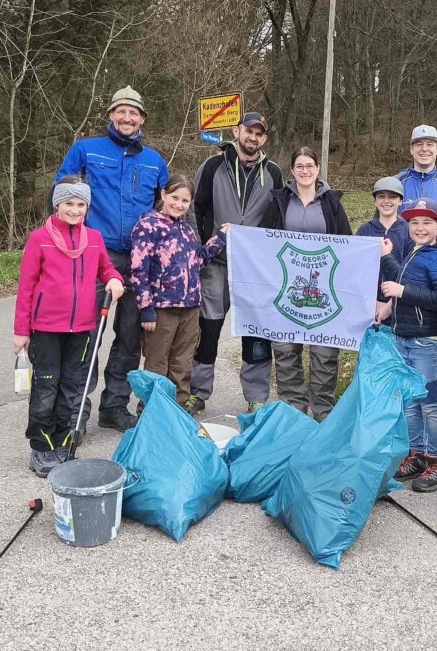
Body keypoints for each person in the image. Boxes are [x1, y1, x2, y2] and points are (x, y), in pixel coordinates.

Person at [54, 86, 169, 432]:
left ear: (142, 119)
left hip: (139, 261)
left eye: (134, 113)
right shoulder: (86, 150)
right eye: (121, 111)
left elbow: (167, 210)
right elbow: (60, 195)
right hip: (94, 256)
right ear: (111, 115)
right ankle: (75, 411)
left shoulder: (155, 161)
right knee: (86, 335)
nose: (127, 118)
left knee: (130, 337)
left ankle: (114, 406)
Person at [14, 178, 124, 477]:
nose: (75, 210)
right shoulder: (39, 239)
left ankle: (64, 443)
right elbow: (26, 288)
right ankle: (41, 446)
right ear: (57, 205)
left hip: (82, 328)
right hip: (46, 328)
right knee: (46, 387)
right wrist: (21, 331)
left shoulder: (94, 238)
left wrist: (114, 278)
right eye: (69, 203)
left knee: (72, 388)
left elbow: (105, 268)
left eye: (81, 204)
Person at [187, 112, 284, 416]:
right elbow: (195, 208)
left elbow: (278, 218)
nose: (252, 137)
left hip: (254, 268)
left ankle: (256, 396)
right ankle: (197, 392)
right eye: (248, 130)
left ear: (264, 139)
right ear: (236, 131)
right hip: (216, 262)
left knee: (255, 331)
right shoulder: (213, 166)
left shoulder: (273, 172)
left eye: (259, 133)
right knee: (208, 327)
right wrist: (201, 250)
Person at [259, 146, 351, 420]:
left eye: (309, 165)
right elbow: (260, 239)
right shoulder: (279, 201)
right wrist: (235, 234)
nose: (305, 170)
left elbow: (348, 244)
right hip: (285, 292)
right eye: (299, 166)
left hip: (324, 294)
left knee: (324, 354)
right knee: (285, 352)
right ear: (292, 170)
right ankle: (293, 414)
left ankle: (323, 415)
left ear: (318, 169)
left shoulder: (332, 203)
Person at [375, 197, 437, 492]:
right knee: (409, 402)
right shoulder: (414, 251)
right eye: (414, 222)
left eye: (427, 222)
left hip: (428, 343)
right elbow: (403, 280)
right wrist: (388, 259)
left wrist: (402, 292)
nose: (420, 227)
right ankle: (417, 455)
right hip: (404, 337)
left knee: (430, 404)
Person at [130, 176, 229, 409]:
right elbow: (138, 270)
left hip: (190, 307)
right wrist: (146, 308)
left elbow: (197, 261)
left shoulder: (186, 230)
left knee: (182, 364)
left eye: (185, 200)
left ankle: (178, 410)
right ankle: (152, 413)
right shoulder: (148, 226)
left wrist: (220, 239)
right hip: (161, 309)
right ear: (163, 195)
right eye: (175, 197)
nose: (179, 204)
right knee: (157, 364)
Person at [356, 176, 410, 263]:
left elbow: (410, 266)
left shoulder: (408, 231)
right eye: (381, 196)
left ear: (400, 201)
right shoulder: (365, 230)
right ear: (375, 201)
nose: (386, 201)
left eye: (392, 197)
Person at [395, 124, 437, 208]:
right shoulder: (396, 183)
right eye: (419, 144)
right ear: (411, 149)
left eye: (429, 144)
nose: (424, 149)